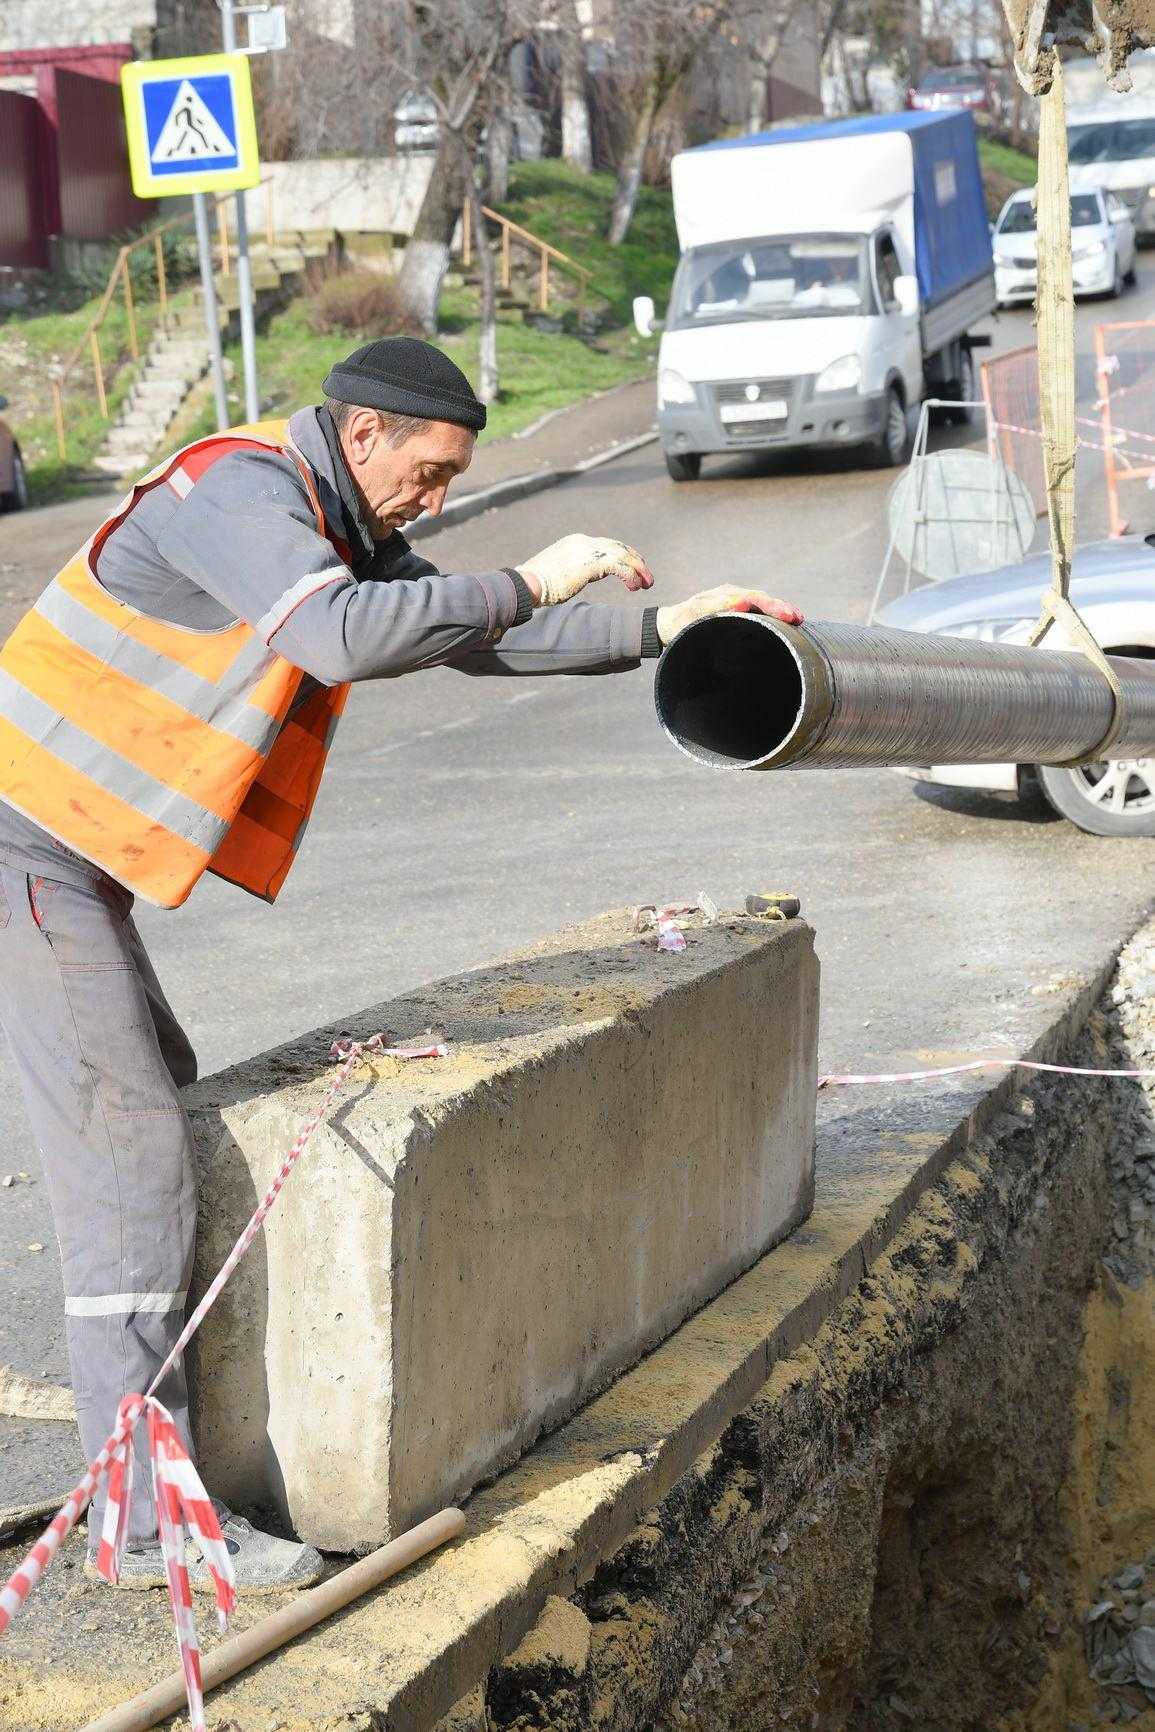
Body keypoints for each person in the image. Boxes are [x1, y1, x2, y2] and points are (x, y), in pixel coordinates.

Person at [0, 337, 801, 1590]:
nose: (434, 501)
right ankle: (139, 1518)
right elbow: (342, 637)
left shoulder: (332, 507)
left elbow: (465, 639)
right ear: (362, 432)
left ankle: (154, 1455)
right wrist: (528, 579)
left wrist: (659, 628)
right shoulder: (240, 494)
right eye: (428, 473)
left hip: (71, 852)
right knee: (129, 1158)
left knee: (162, 1104)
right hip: (21, 842)